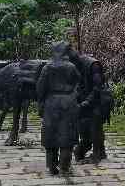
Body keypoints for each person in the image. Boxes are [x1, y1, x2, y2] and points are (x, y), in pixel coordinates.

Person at [37, 42, 81, 176]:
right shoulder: (71, 67)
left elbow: (40, 87)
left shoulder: (47, 67)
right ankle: (64, 168)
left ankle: (51, 167)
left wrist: (41, 102)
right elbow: (78, 82)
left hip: (51, 102)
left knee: (51, 134)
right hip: (68, 102)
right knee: (67, 135)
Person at [68, 49, 108, 163]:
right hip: (83, 100)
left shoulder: (93, 65)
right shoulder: (74, 67)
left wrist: (87, 102)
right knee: (84, 128)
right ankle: (96, 150)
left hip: (97, 100)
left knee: (95, 125)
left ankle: (97, 154)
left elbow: (98, 87)